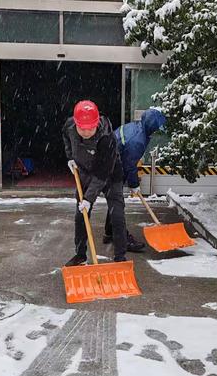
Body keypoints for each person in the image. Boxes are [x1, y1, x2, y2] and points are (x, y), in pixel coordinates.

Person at [63, 100, 127, 266]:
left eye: (90, 128)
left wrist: (88, 199)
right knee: (81, 216)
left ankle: (120, 257)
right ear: (76, 123)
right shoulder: (69, 126)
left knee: (117, 215)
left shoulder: (107, 139)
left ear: (96, 123)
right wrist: (70, 157)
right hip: (84, 172)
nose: (86, 132)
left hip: (110, 174)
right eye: (82, 128)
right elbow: (66, 137)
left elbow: (102, 173)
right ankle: (80, 255)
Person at [103, 108, 166, 246]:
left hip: (111, 162)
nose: (157, 131)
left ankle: (109, 232)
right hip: (111, 167)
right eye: (156, 128)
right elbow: (130, 165)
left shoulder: (136, 127)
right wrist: (134, 184)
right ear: (151, 127)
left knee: (115, 201)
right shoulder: (138, 140)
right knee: (118, 203)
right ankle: (122, 239)